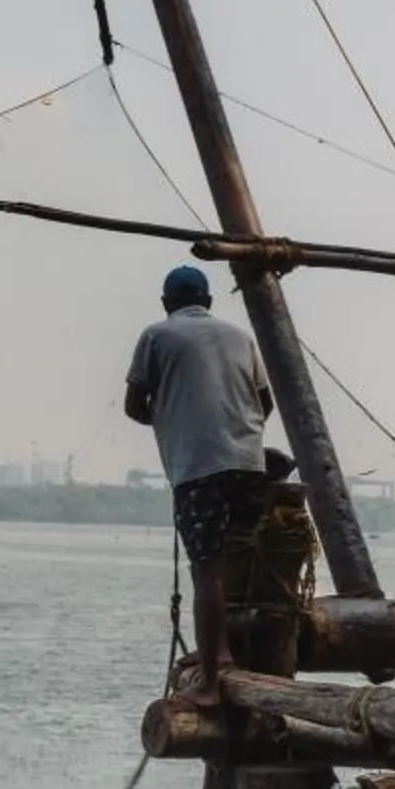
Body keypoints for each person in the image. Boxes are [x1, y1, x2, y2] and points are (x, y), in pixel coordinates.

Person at [124, 264, 273, 670]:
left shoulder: (157, 335)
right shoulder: (241, 337)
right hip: (249, 465)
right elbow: (266, 404)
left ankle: (213, 672)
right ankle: (226, 649)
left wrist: (175, 415)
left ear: (166, 303)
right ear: (208, 302)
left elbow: (134, 406)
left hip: (199, 469)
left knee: (206, 571)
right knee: (239, 561)